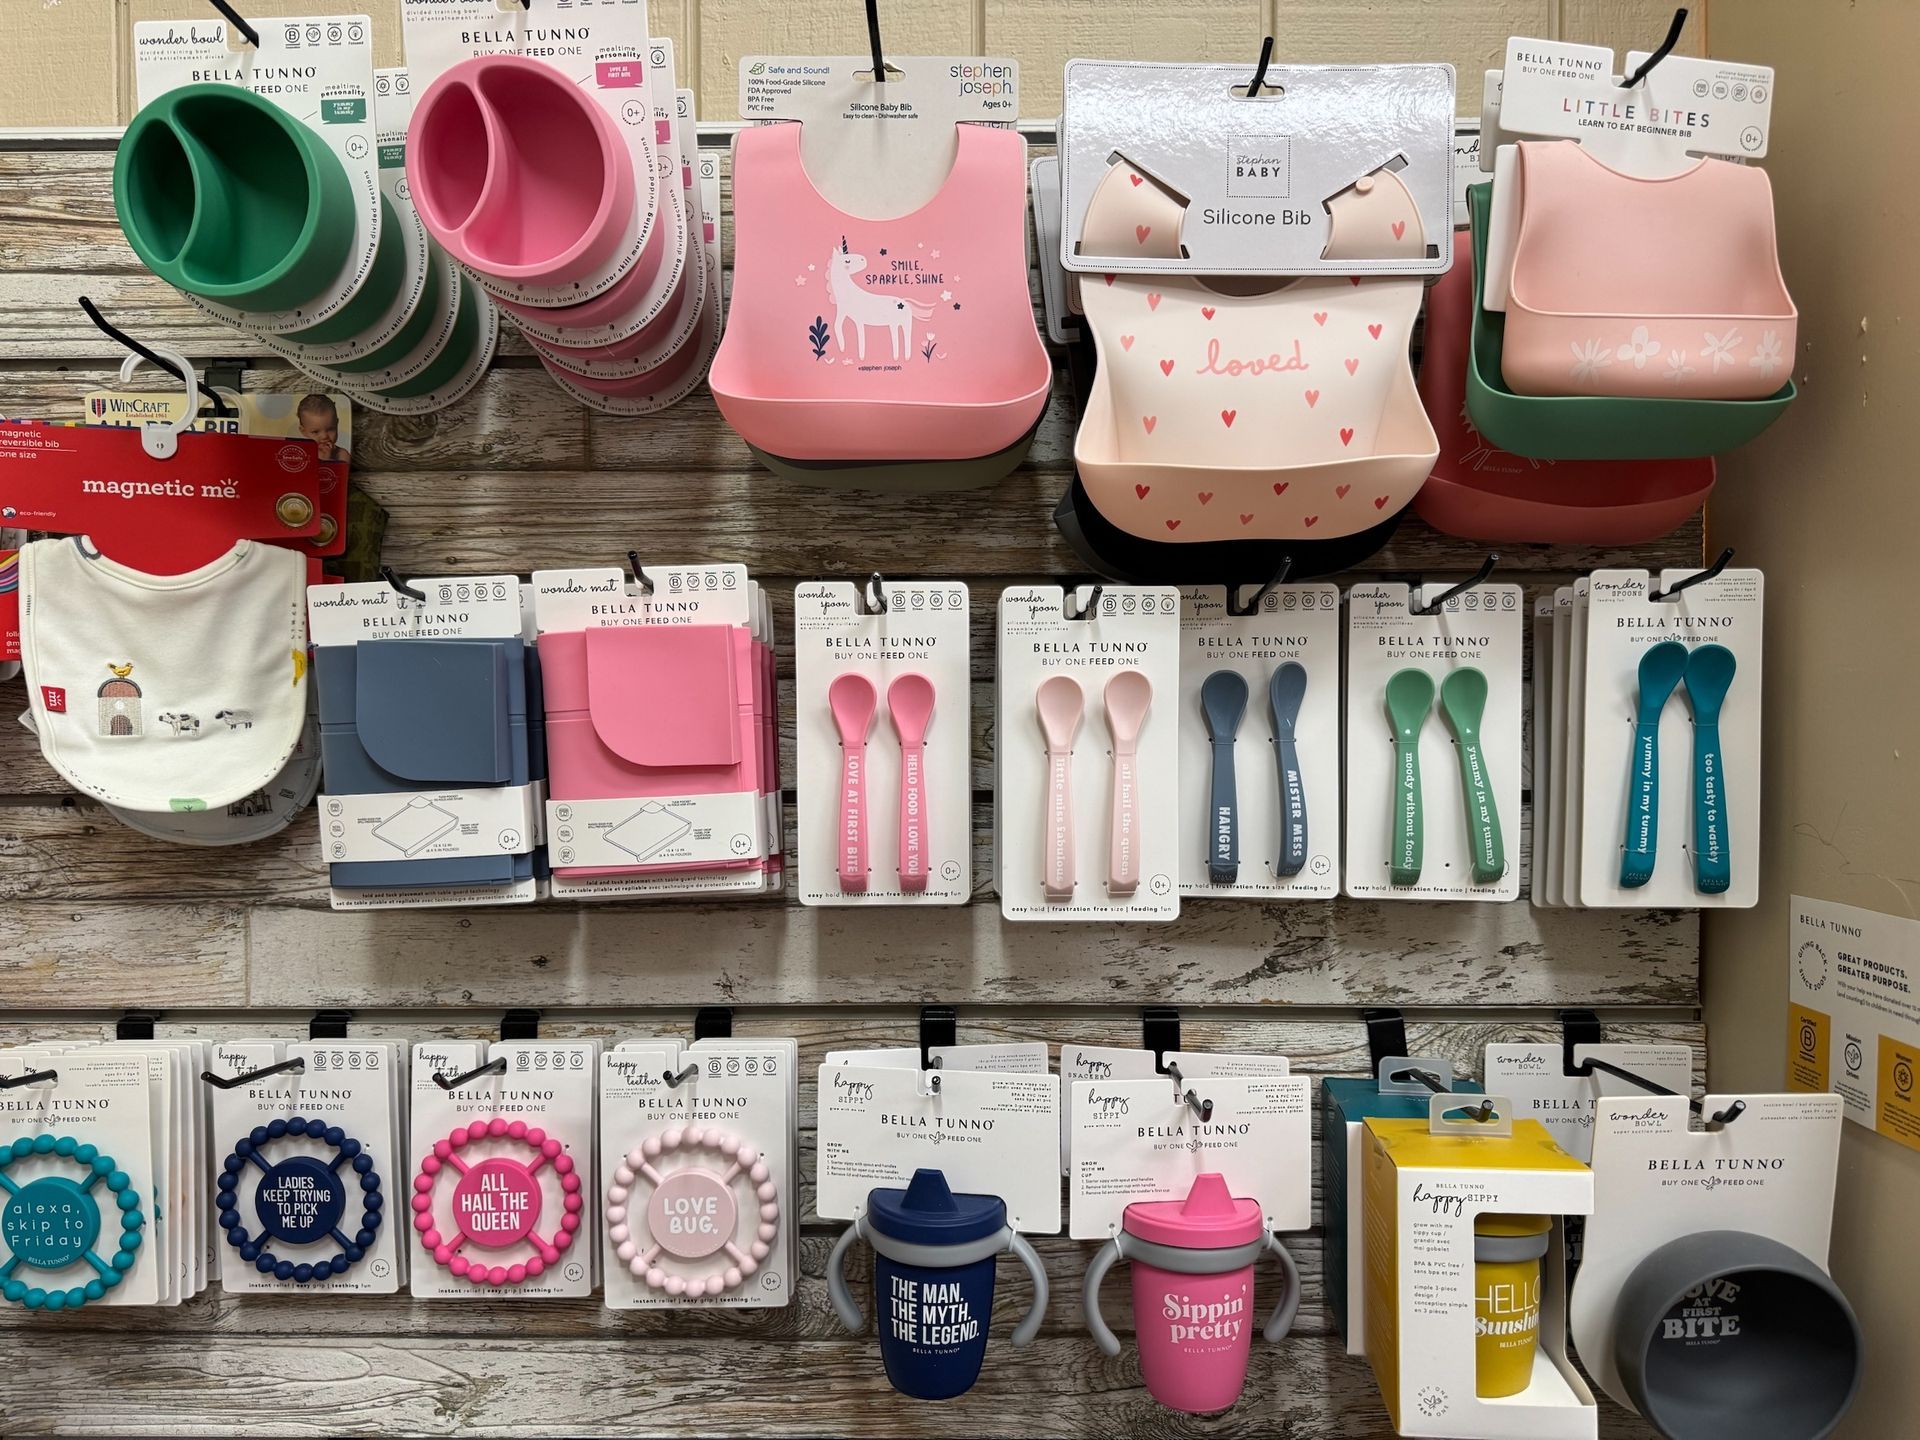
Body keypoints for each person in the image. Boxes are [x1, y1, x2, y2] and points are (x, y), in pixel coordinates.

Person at [296, 393, 349, 463]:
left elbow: (342, 473)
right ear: (303, 431)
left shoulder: (342, 455)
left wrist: (326, 460)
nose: (324, 436)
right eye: (316, 432)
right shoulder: (300, 453)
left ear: (336, 424)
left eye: (330, 429)